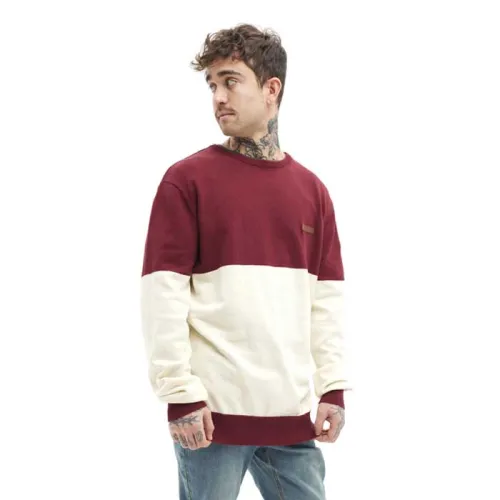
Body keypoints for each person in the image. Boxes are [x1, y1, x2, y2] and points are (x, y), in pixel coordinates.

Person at [140, 23, 352, 500]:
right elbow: (161, 297)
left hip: (292, 418)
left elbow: (326, 302)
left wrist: (333, 387)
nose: (218, 97)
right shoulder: (186, 181)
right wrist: (180, 395)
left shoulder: (313, 192)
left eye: (231, 81)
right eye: (212, 85)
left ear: (271, 88)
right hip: (211, 419)